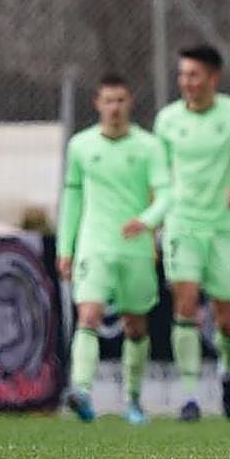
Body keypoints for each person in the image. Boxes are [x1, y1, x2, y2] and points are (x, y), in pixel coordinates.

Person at [154, 45, 230, 422]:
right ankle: (189, 396)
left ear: (212, 78)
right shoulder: (167, 119)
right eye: (182, 75)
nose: (186, 82)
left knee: (227, 318)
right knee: (185, 304)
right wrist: (154, 219)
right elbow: (157, 177)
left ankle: (227, 373)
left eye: (194, 75)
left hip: (224, 228)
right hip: (181, 224)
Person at [58, 74, 169, 424]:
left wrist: (147, 220)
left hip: (135, 249)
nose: (114, 108)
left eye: (120, 100)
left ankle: (133, 401)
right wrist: (66, 247)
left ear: (129, 103)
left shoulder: (149, 146)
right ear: (97, 103)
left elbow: (168, 193)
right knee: (88, 316)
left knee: (135, 326)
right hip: (95, 245)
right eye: (108, 101)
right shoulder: (80, 145)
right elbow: (72, 198)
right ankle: (82, 391)